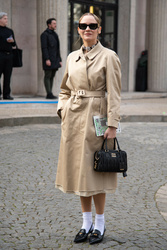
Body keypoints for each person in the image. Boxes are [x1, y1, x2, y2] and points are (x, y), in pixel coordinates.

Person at [55, 13, 121, 245]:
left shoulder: (109, 56)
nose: (87, 29)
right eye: (83, 26)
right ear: (78, 29)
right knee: (80, 172)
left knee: (97, 171)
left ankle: (100, 223)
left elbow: (114, 93)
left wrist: (112, 124)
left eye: (92, 26)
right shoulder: (72, 57)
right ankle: (85, 223)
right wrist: (63, 109)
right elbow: (64, 89)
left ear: (99, 29)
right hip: (73, 120)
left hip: (97, 119)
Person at [40, 18, 62, 99]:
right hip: (48, 59)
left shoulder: (55, 34)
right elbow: (44, 48)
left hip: (55, 59)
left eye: (55, 23)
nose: (55, 25)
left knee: (52, 75)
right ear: (49, 25)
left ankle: (50, 93)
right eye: (54, 23)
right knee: (48, 75)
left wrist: (60, 60)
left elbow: (57, 48)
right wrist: (47, 59)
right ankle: (48, 93)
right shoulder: (44, 35)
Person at [0, 12, 16, 100]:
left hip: (9, 56)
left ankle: (6, 94)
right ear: (0, 20)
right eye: (5, 18)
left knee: (7, 76)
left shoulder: (10, 31)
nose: (6, 20)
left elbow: (14, 44)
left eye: (6, 18)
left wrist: (12, 41)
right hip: (0, 55)